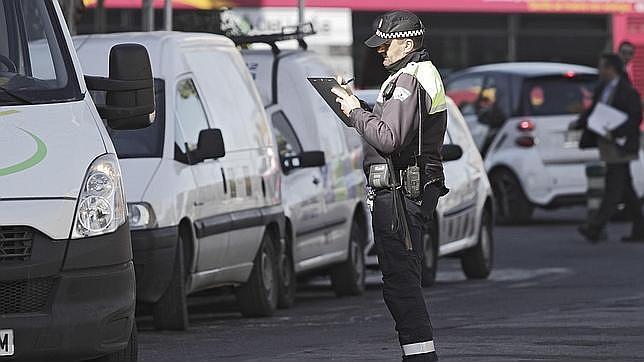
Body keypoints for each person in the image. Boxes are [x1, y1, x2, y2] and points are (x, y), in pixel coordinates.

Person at [333, 10, 448, 361]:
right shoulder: (414, 75)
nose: (380, 51)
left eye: (386, 45)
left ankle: (421, 359)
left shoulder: (409, 78)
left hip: (401, 193)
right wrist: (357, 106)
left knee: (400, 284)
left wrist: (355, 112)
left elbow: (389, 138)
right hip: (407, 189)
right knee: (402, 281)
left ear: (407, 43)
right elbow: (396, 131)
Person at [571, 53, 644, 243]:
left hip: (620, 144)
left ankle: (594, 227)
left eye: (603, 66)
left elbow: (635, 116)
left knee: (613, 187)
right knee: (626, 190)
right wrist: (581, 122)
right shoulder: (602, 88)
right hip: (606, 142)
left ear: (612, 69)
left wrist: (617, 131)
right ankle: (640, 227)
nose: (600, 70)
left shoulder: (627, 91)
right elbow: (595, 109)